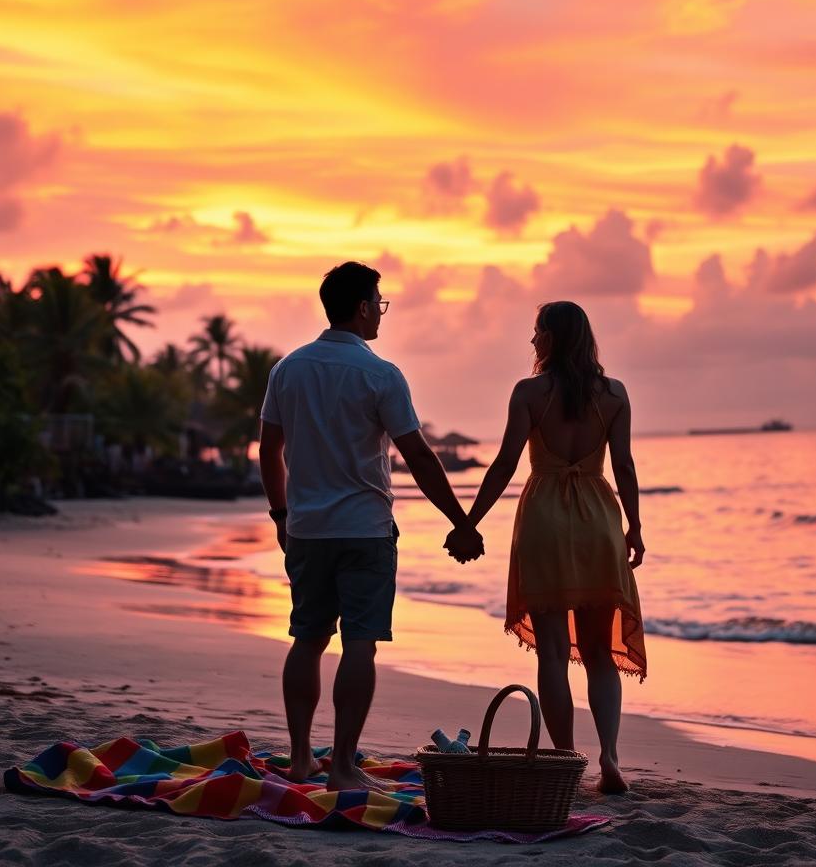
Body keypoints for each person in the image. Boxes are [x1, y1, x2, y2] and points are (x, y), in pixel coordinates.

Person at [259, 261, 484, 791]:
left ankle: (298, 760)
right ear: (361, 307)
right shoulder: (382, 374)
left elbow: (271, 450)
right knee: (360, 643)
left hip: (307, 529)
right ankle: (340, 765)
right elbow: (420, 458)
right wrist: (462, 523)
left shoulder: (286, 370)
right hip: (364, 530)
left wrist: (281, 514)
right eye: (379, 303)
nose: (381, 313)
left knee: (307, 639)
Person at [460, 300, 647, 793]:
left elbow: (503, 465)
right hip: (598, 519)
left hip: (544, 517)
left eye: (537, 331)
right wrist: (635, 527)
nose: (532, 340)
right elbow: (623, 466)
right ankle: (608, 757)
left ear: (553, 337)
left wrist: (469, 522)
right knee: (598, 653)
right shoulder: (614, 394)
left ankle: (565, 760)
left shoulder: (528, 393)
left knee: (552, 654)